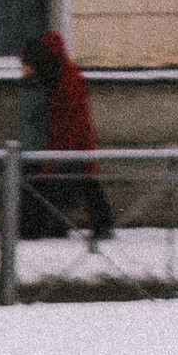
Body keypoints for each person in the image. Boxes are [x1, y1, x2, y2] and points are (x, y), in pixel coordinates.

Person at [19, 27, 116, 243]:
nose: (24, 69)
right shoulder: (58, 76)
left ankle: (99, 225)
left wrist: (64, 150)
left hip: (73, 142)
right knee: (78, 182)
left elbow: (72, 118)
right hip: (66, 142)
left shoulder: (66, 79)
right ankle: (87, 225)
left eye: (27, 65)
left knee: (80, 182)